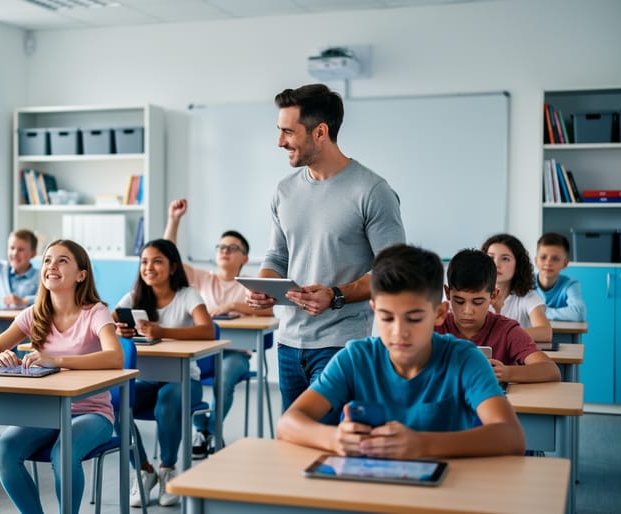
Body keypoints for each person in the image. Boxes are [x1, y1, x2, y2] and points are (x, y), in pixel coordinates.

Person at [277, 244, 525, 459]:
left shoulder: (465, 359)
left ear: (439, 313)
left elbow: (511, 436)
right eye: (387, 317)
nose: (399, 332)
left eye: (414, 318)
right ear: (375, 310)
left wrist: (423, 444)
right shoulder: (355, 358)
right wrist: (334, 439)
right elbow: (288, 423)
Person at [246, 83, 405, 415]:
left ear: (320, 132)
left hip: (340, 345)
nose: (279, 142)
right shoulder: (284, 191)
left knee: (329, 449)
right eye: (279, 131)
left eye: (288, 132)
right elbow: (278, 255)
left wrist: (336, 295)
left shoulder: (372, 191)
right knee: (295, 445)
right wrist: (264, 285)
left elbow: (394, 272)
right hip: (288, 344)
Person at [0, 239, 123, 514]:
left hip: (92, 413)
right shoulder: (34, 314)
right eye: (47, 260)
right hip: (46, 413)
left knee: (63, 452)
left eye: (62, 260)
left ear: (81, 275)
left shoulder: (95, 312)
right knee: (4, 451)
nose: (51, 266)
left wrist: (55, 360)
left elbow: (115, 356)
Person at [163, 197, 272, 458]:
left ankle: (208, 431)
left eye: (232, 248)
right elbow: (167, 257)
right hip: (204, 353)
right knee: (187, 374)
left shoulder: (250, 284)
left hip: (236, 354)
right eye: (221, 246)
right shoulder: (202, 279)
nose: (225, 251)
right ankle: (205, 430)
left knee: (225, 375)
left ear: (244, 258)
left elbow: (268, 310)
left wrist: (233, 305)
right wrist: (174, 220)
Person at [113, 238, 215, 508]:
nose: (149, 267)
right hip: (146, 379)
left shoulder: (186, 295)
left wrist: (162, 331)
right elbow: (108, 321)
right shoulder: (134, 297)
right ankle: (145, 470)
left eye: (157, 261)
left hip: (184, 380)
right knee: (113, 405)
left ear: (172, 267)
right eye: (144, 262)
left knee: (168, 401)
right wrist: (119, 330)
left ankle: (168, 469)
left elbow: (207, 329)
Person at [436, 249, 561, 383]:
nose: (467, 311)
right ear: (448, 293)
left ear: (493, 296)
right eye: (459, 301)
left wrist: (507, 373)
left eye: (477, 302)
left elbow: (551, 370)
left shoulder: (506, 330)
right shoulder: (435, 326)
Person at [482, 233, 553, 343]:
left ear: (518, 265)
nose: (496, 264)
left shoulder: (527, 296)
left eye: (505, 259)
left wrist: (503, 334)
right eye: (490, 257)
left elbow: (545, 333)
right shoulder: (472, 294)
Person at [535, 232, 587, 322]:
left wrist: (537, 313)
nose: (548, 263)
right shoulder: (526, 282)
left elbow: (579, 313)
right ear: (536, 261)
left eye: (555, 259)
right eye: (543, 257)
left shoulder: (570, 285)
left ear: (565, 264)